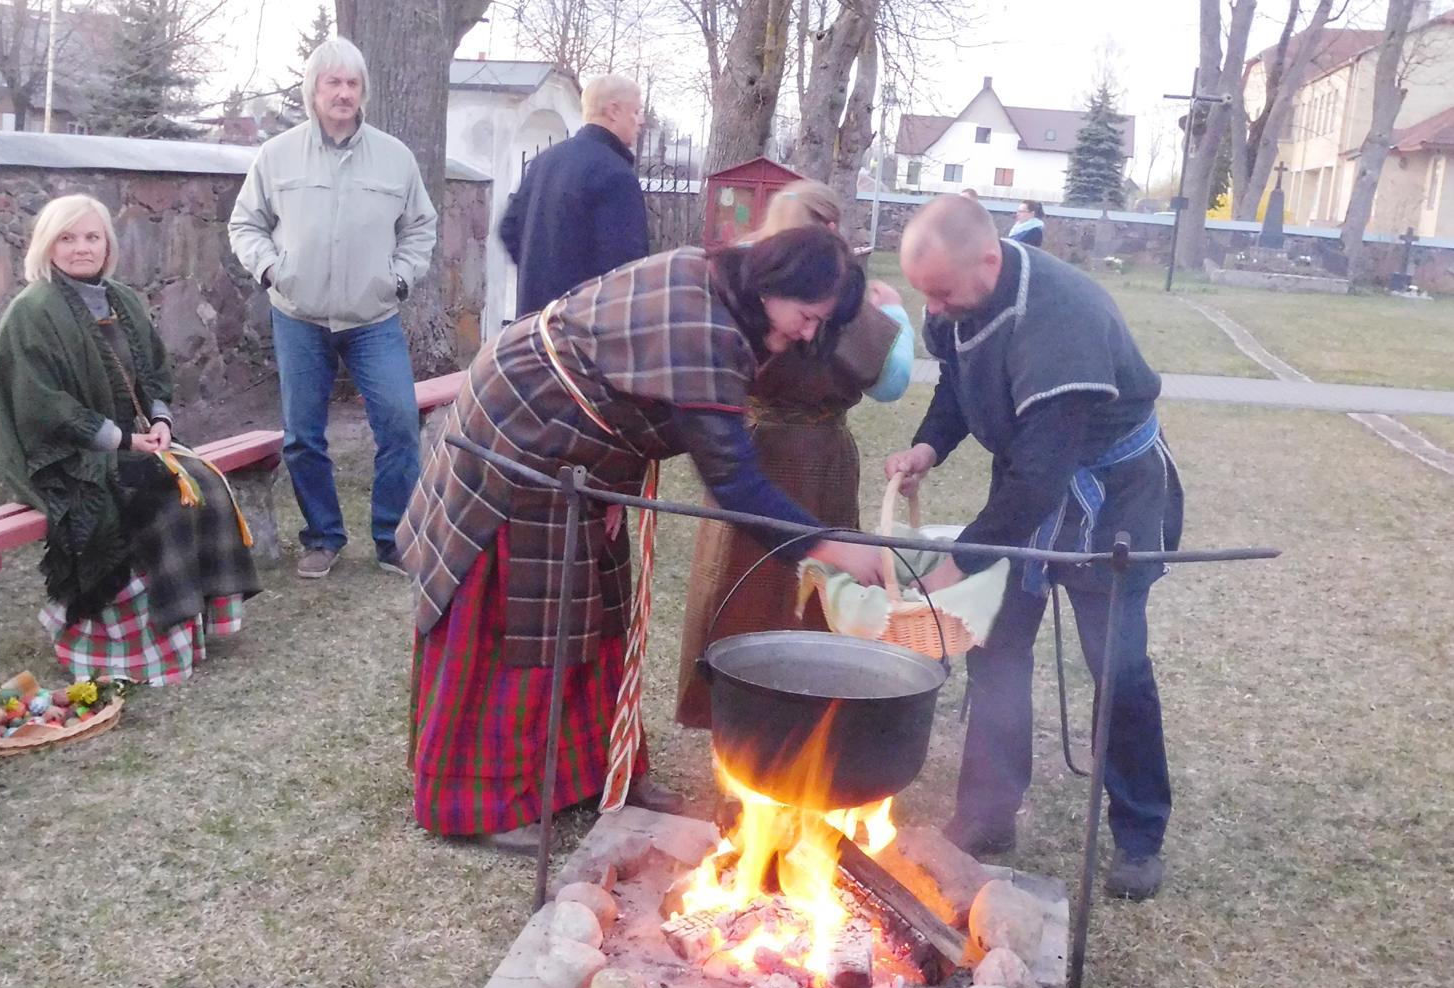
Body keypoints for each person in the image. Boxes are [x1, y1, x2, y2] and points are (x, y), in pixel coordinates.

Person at [398, 228, 891, 854]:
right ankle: (485, 802)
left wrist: (615, 477)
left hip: (585, 445)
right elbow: (736, 482)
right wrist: (830, 547)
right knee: (521, 619)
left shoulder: (715, 282)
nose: (807, 334)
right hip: (523, 426)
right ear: (771, 288)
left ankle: (586, 776)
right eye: (808, 315)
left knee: (593, 606)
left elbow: (621, 372)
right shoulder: (704, 332)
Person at [884, 195, 1183, 900]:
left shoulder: (1062, 319)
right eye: (926, 293)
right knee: (998, 647)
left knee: (1118, 663)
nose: (936, 307)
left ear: (988, 259)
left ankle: (1139, 834)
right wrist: (931, 442)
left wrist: (958, 565)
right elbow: (958, 385)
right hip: (1029, 477)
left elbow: (1043, 481)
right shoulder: (954, 296)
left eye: (943, 291)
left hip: (1110, 494)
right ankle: (988, 812)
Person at [0, 195, 260, 685]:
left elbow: (154, 371)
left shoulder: (122, 299)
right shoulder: (33, 311)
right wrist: (120, 441)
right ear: (47, 246)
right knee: (164, 495)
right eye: (67, 238)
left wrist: (159, 423)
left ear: (107, 244)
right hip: (58, 455)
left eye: (92, 237)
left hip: (130, 441)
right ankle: (133, 650)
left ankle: (197, 627)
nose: (80, 248)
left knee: (205, 481)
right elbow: (42, 406)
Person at [674, 180, 915, 728]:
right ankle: (799, 717)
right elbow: (892, 381)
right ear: (827, 234)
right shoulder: (838, 300)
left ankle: (739, 719)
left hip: (747, 447)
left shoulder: (739, 286)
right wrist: (897, 316)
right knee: (789, 589)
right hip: (790, 459)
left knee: (748, 586)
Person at [229, 36, 436, 579]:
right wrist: (272, 269)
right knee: (303, 434)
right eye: (333, 83)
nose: (344, 93)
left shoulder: (396, 158)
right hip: (298, 315)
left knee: (397, 424)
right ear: (313, 91)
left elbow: (419, 227)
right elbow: (245, 224)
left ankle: (393, 538)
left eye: (352, 83)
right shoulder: (276, 156)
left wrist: (399, 278)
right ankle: (322, 536)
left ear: (363, 91)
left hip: (373, 319)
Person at [499, 74, 649, 319]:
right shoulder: (615, 174)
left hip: (533, 326)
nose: (640, 121)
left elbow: (509, 230)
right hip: (586, 331)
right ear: (614, 111)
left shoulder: (544, 161)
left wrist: (539, 276)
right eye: (636, 111)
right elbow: (626, 269)